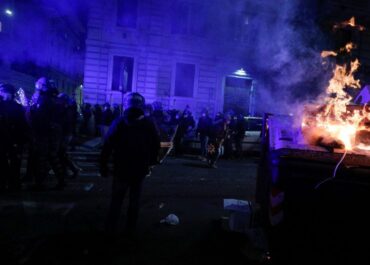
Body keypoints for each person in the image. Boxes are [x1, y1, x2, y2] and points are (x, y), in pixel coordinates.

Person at [100, 92, 160, 238]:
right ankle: (130, 231)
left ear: (126, 104)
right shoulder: (148, 123)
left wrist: (103, 164)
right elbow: (156, 145)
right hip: (139, 169)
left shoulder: (119, 122)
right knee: (134, 200)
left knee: (116, 200)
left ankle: (110, 231)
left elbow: (107, 144)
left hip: (121, 168)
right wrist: (150, 162)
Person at [0, 84, 29, 191]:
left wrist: (20, 141)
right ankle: (4, 182)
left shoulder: (17, 107)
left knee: (15, 163)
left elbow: (22, 125)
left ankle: (13, 184)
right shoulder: (2, 105)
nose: (0, 93)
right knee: (2, 162)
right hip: (3, 139)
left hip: (14, 139)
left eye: (2, 91)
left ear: (9, 93)